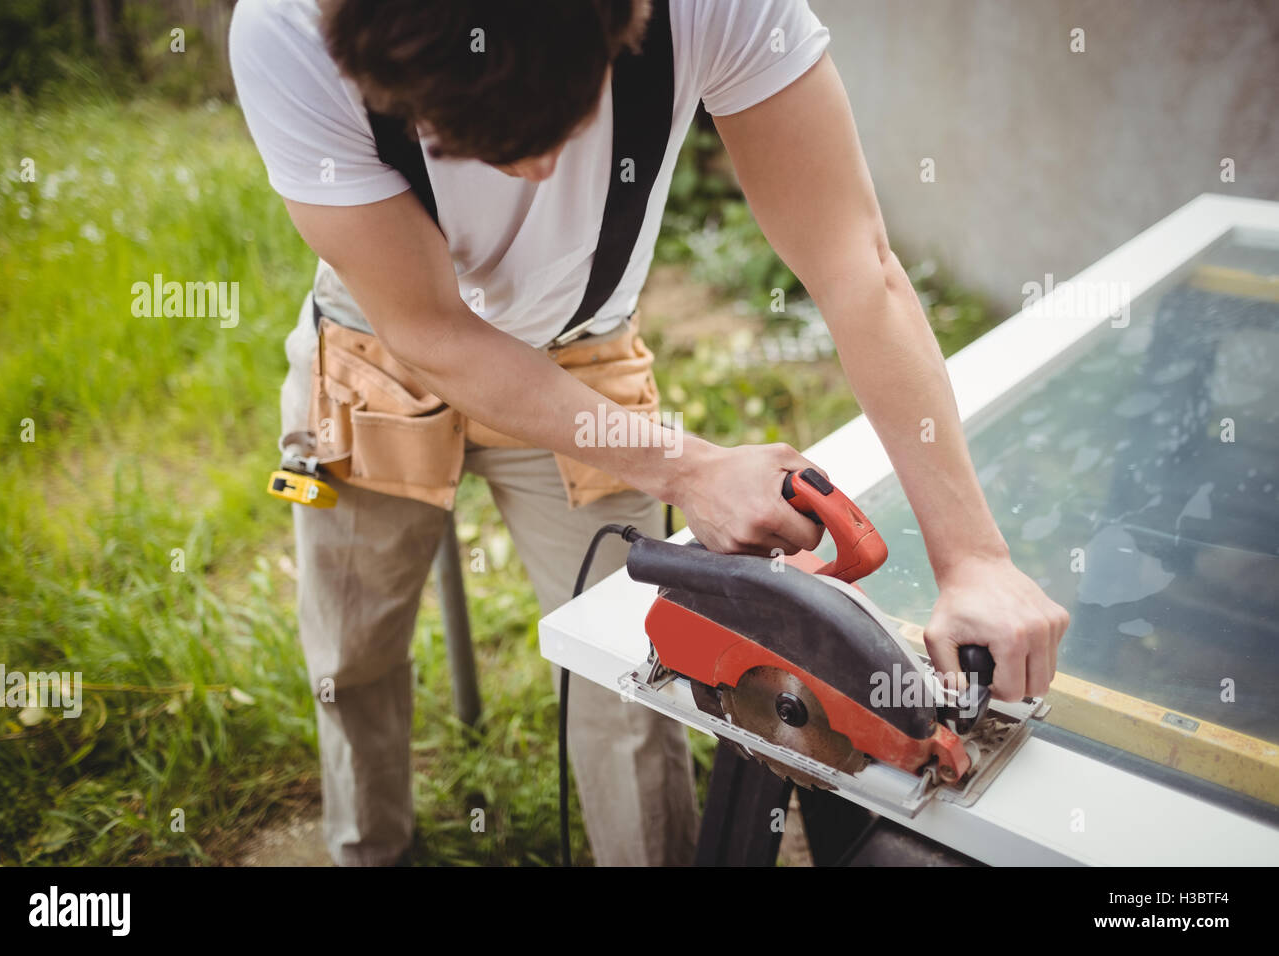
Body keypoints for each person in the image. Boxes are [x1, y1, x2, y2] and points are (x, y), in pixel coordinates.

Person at [229, 0, 1069, 867]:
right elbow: (433, 331)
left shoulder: (718, 8)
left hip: (583, 358)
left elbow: (854, 263)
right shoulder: (284, 29)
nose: (530, 173)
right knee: (352, 649)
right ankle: (370, 853)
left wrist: (971, 558)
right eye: (463, 137)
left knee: (628, 667)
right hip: (379, 355)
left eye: (559, 124)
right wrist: (688, 467)